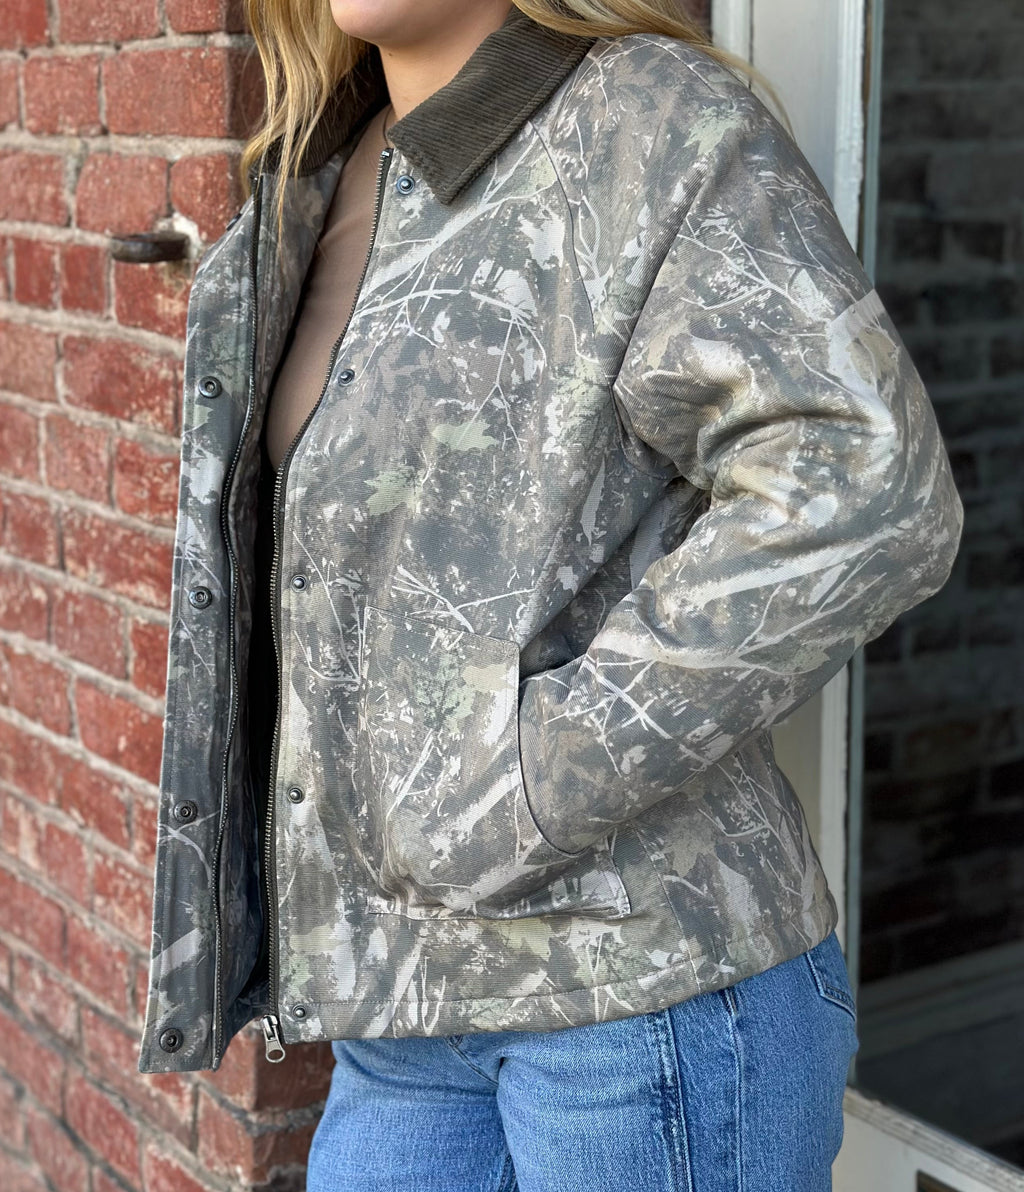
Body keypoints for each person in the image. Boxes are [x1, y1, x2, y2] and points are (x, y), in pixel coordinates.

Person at [137, 1, 963, 1189]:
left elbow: (864, 485)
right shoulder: (317, 176)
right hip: (405, 1006)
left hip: (636, 998)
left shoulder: (642, 121)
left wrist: (526, 778)